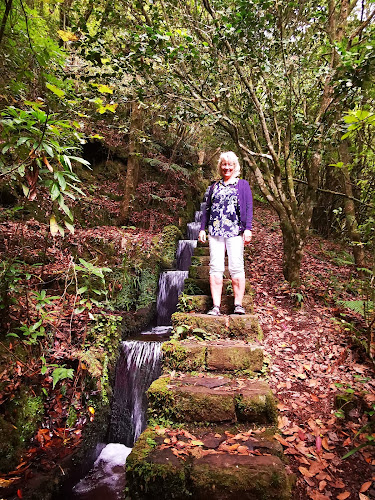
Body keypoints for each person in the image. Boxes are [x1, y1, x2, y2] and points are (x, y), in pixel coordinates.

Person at [198, 151, 253, 315]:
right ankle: (215, 306)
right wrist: (202, 228)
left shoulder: (242, 185)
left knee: (236, 267)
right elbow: (206, 209)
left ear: (235, 167)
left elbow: (248, 207)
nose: (226, 167)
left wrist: (248, 228)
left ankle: (238, 305)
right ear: (220, 167)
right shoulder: (214, 186)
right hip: (215, 232)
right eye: (224, 164)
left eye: (230, 165)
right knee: (215, 267)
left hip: (235, 231)